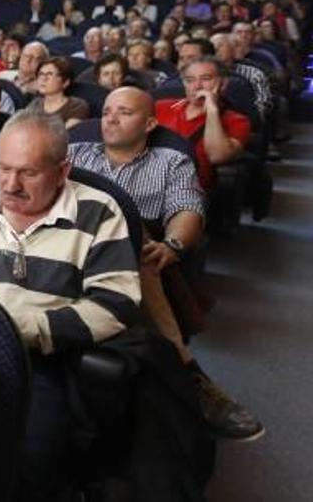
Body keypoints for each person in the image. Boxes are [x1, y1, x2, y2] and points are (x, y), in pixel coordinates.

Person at [0, 109, 142, 500]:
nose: (10, 185)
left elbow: (116, 305)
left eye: (28, 173)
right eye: (3, 167)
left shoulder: (97, 212)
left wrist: (18, 330)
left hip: (39, 362)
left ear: (63, 170)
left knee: (29, 463)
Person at [69, 87, 263, 440]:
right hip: (67, 243)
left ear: (150, 123)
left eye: (124, 112)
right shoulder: (74, 152)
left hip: (133, 255)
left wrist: (172, 244)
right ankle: (186, 368)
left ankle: (187, 373)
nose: (110, 117)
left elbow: (187, 207)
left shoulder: (170, 161)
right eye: (108, 110)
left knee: (133, 237)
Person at [155, 57, 250, 190]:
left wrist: (212, 110)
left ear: (223, 83)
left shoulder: (237, 120)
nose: (197, 86)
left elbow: (217, 156)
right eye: (190, 80)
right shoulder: (160, 107)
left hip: (189, 189)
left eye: (206, 79)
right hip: (150, 179)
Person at [27, 57, 90, 127]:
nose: (43, 78)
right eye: (41, 74)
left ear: (65, 82)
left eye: (49, 74)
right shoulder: (35, 104)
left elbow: (67, 134)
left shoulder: (76, 106)